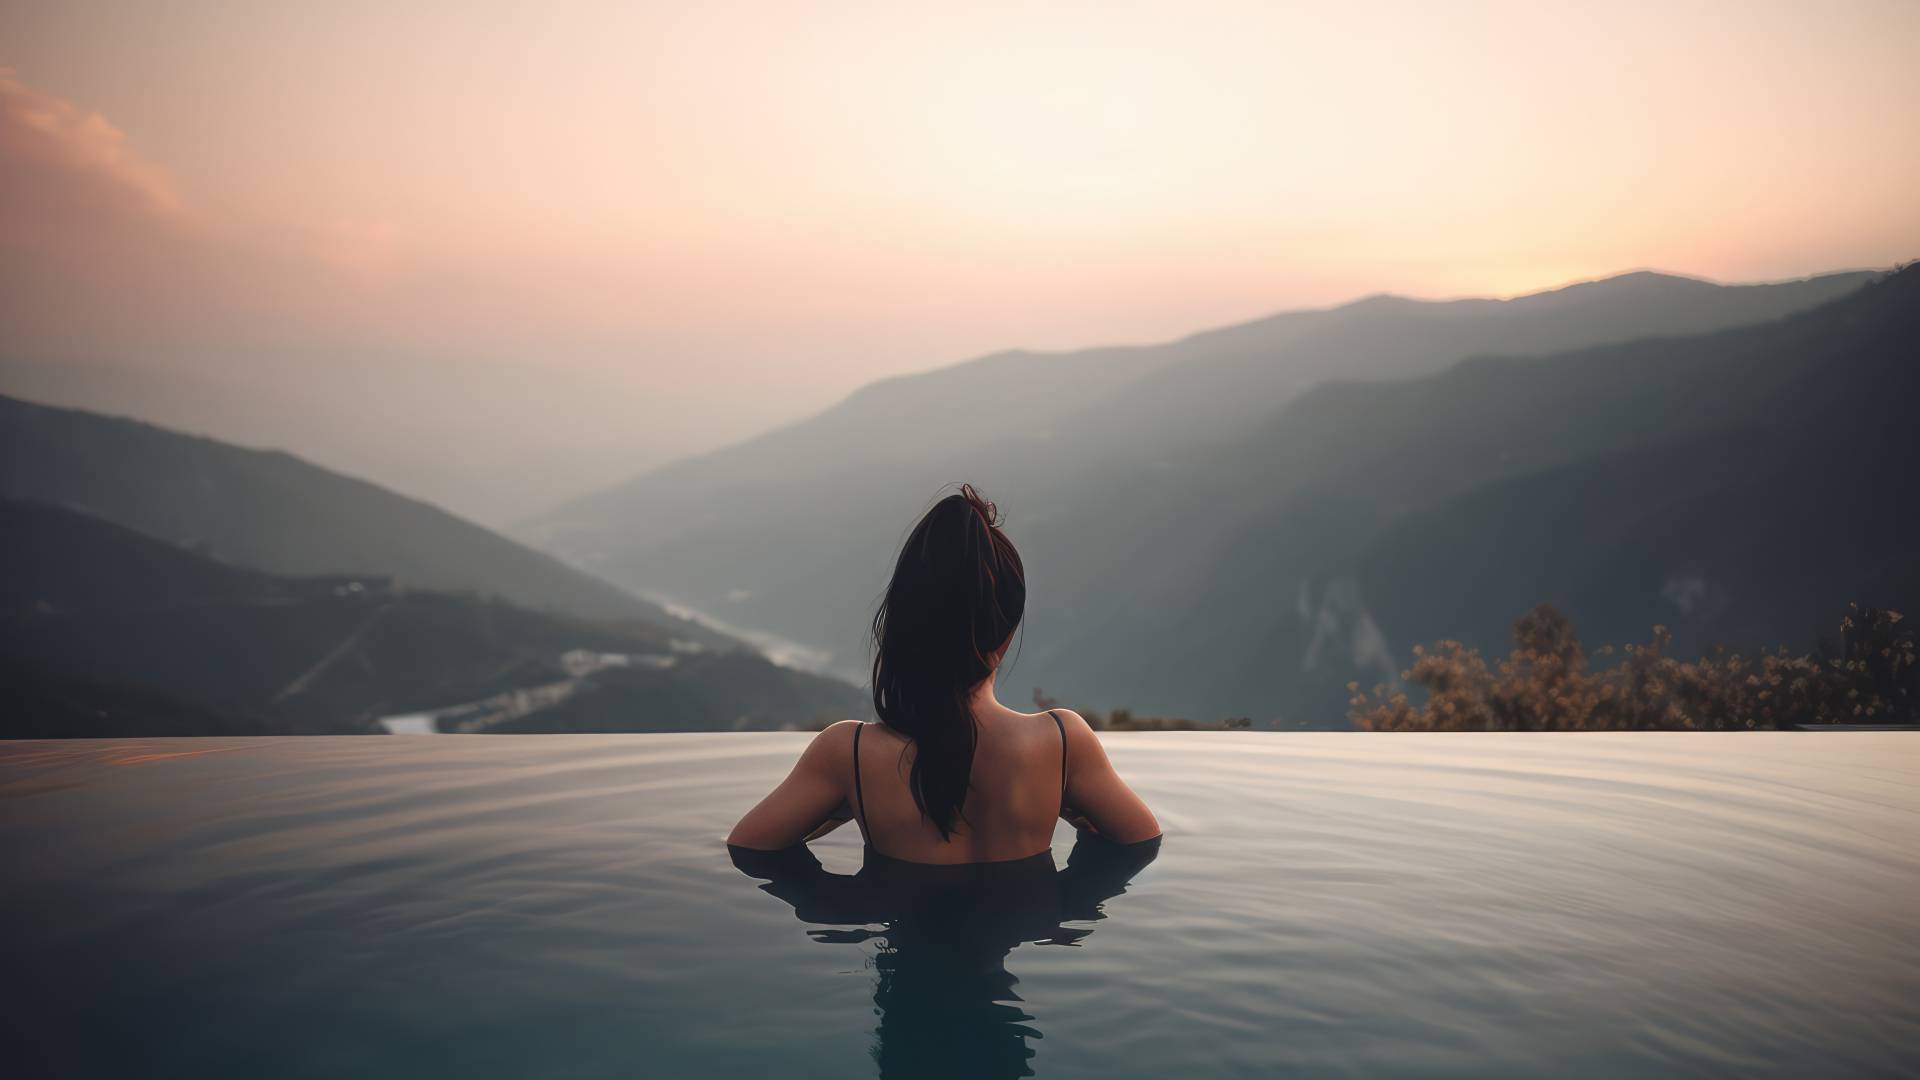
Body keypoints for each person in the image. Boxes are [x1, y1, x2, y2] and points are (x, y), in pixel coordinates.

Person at [727, 483, 1160, 860]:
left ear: (901, 625)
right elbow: (1142, 841)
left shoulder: (850, 754)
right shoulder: (1065, 743)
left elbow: (748, 848)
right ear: (1006, 634)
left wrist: (842, 810)